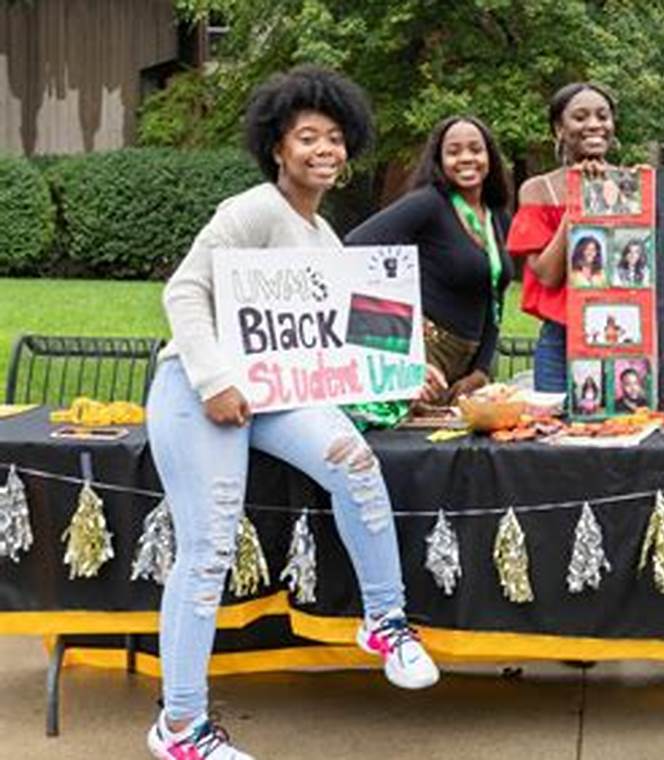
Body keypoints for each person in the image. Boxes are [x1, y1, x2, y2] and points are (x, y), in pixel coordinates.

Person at [145, 67, 441, 760]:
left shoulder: (324, 238)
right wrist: (214, 379)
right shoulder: (252, 210)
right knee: (209, 546)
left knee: (356, 464)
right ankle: (180, 727)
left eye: (336, 139)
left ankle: (385, 622)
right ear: (278, 148)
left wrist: (406, 365)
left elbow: (338, 333)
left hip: (273, 393)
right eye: (307, 137)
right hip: (200, 391)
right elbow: (183, 295)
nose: (324, 150)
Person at [345, 115, 513, 409]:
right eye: (453, 151)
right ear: (439, 160)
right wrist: (401, 346)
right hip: (424, 359)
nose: (466, 158)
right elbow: (355, 247)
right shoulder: (428, 204)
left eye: (475, 149)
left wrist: (481, 371)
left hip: (469, 367)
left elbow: (495, 298)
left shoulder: (497, 216)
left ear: (490, 157)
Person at [507, 82, 618, 392]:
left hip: (623, 337)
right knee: (552, 435)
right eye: (580, 117)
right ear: (559, 128)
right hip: (561, 339)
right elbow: (548, 275)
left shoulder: (632, 186)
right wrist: (580, 201)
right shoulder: (537, 189)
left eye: (603, 116)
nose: (594, 125)